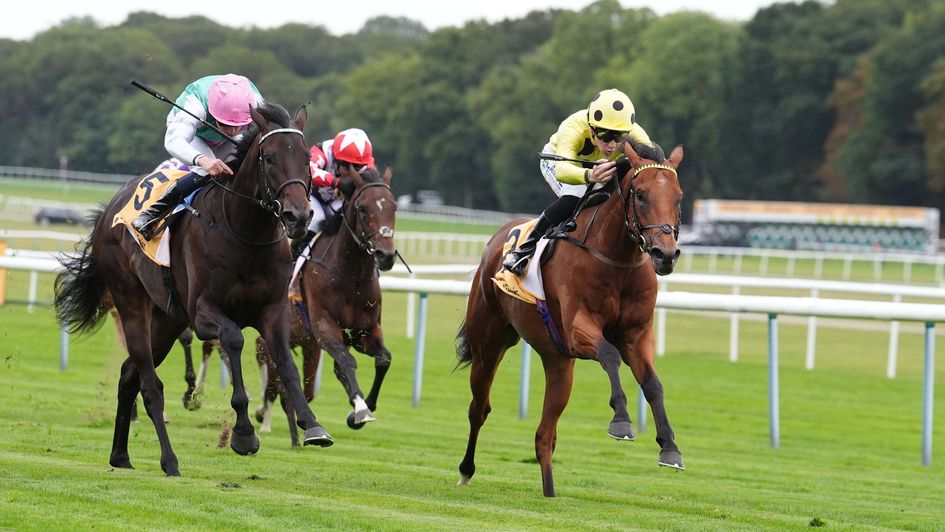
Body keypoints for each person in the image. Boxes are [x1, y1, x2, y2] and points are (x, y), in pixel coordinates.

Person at [502, 88, 658, 275]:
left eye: (618, 138)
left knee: (612, 195)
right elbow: (562, 171)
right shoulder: (573, 127)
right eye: (605, 137)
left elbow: (654, 160)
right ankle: (525, 249)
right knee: (576, 195)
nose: (612, 145)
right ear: (591, 128)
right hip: (560, 161)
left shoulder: (634, 132)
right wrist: (590, 176)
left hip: (599, 166)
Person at [132, 74, 264, 240]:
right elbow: (174, 141)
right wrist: (203, 160)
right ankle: (150, 214)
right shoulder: (195, 103)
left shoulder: (256, 102)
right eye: (225, 124)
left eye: (237, 125)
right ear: (212, 111)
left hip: (232, 140)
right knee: (208, 171)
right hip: (196, 136)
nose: (231, 131)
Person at [291, 127, 376, 259]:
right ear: (336, 159)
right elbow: (308, 170)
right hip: (313, 197)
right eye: (347, 166)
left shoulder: (367, 161)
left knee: (348, 220)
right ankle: (294, 258)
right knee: (317, 219)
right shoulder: (322, 151)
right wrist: (337, 183)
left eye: (357, 167)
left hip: (337, 201)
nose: (351, 172)